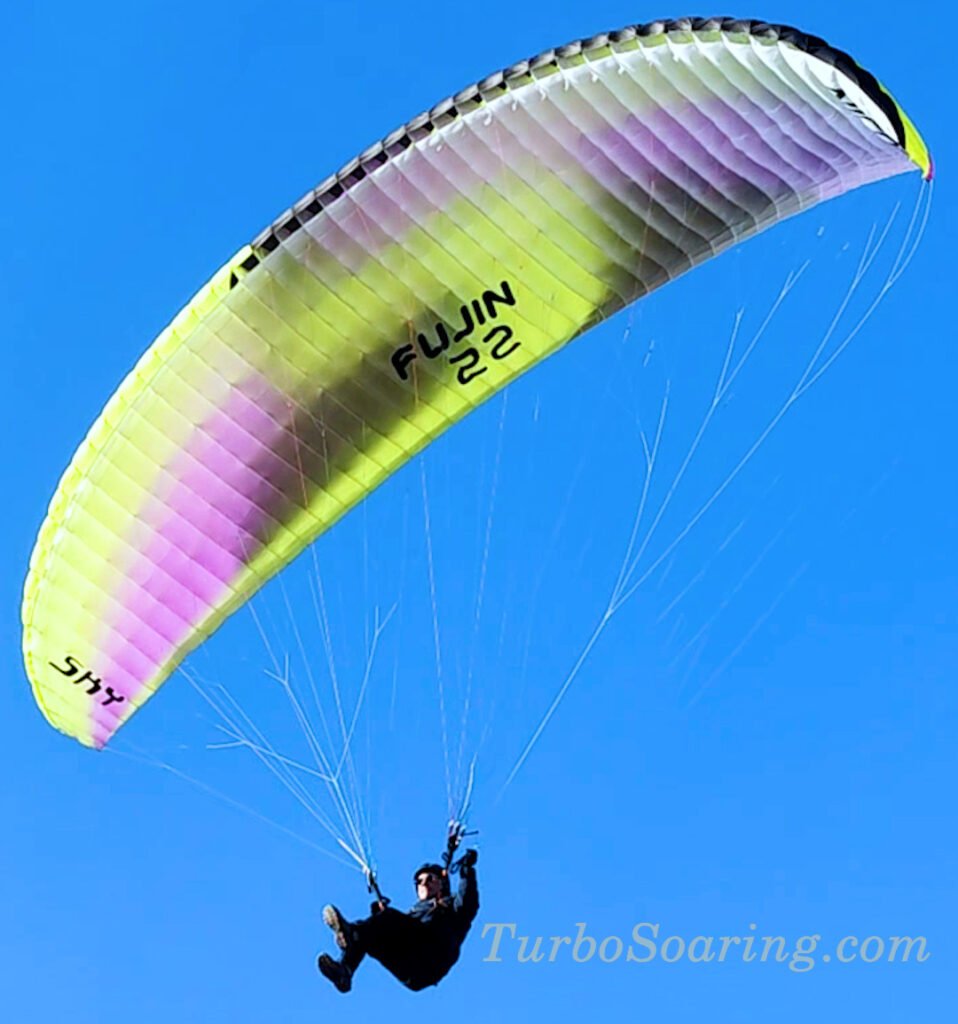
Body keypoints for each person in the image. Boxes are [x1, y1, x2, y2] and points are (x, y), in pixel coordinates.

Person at [317, 848, 479, 993]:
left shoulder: (451, 909)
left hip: (432, 956)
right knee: (371, 933)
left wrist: (467, 870)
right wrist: (379, 916)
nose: (423, 883)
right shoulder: (414, 914)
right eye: (419, 881)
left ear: (442, 883)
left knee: (386, 918)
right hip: (411, 969)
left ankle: (351, 934)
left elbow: (469, 902)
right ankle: (345, 970)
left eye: (430, 879)